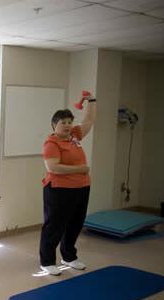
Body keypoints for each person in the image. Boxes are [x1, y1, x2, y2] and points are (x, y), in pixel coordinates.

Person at [39, 93, 97, 275]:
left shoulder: (74, 136)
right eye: (63, 122)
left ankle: (69, 256)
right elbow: (53, 167)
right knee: (55, 226)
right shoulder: (51, 143)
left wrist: (92, 101)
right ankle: (47, 261)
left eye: (69, 122)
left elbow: (89, 120)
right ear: (54, 125)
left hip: (81, 188)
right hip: (59, 190)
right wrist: (81, 169)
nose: (67, 125)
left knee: (75, 224)